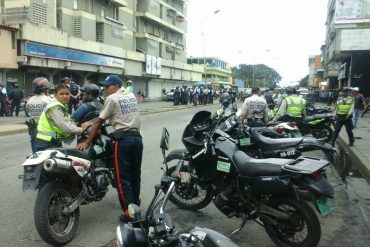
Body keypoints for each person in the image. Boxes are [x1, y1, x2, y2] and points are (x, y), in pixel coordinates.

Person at [76, 75, 143, 222]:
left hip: (123, 140)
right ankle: (135, 204)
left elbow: (100, 121)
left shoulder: (111, 99)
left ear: (117, 86)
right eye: (104, 86)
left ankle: (129, 213)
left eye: (108, 86)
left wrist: (87, 141)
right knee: (134, 174)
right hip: (137, 139)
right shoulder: (130, 95)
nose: (105, 89)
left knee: (122, 178)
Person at [34, 84, 89, 151]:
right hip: (46, 142)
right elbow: (65, 126)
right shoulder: (55, 107)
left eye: (67, 94)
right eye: (61, 94)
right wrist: (81, 129)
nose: (65, 96)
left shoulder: (60, 105)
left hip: (52, 141)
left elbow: (68, 121)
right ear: (55, 94)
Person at [26, 77, 53, 152]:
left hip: (33, 130)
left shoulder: (30, 100)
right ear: (45, 89)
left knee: (36, 154)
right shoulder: (49, 100)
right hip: (47, 130)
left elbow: (28, 113)